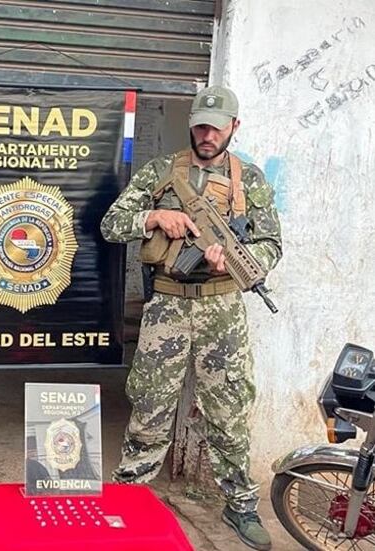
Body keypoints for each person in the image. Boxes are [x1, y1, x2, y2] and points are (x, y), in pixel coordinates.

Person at [100, 85, 282, 550]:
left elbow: (270, 245)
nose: (206, 135)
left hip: (223, 308)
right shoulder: (162, 171)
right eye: (200, 125)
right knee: (151, 406)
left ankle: (239, 504)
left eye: (215, 128)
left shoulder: (251, 181)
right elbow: (111, 224)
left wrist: (237, 259)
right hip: (167, 304)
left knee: (229, 410)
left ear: (233, 127)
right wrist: (156, 217)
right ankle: (128, 496)